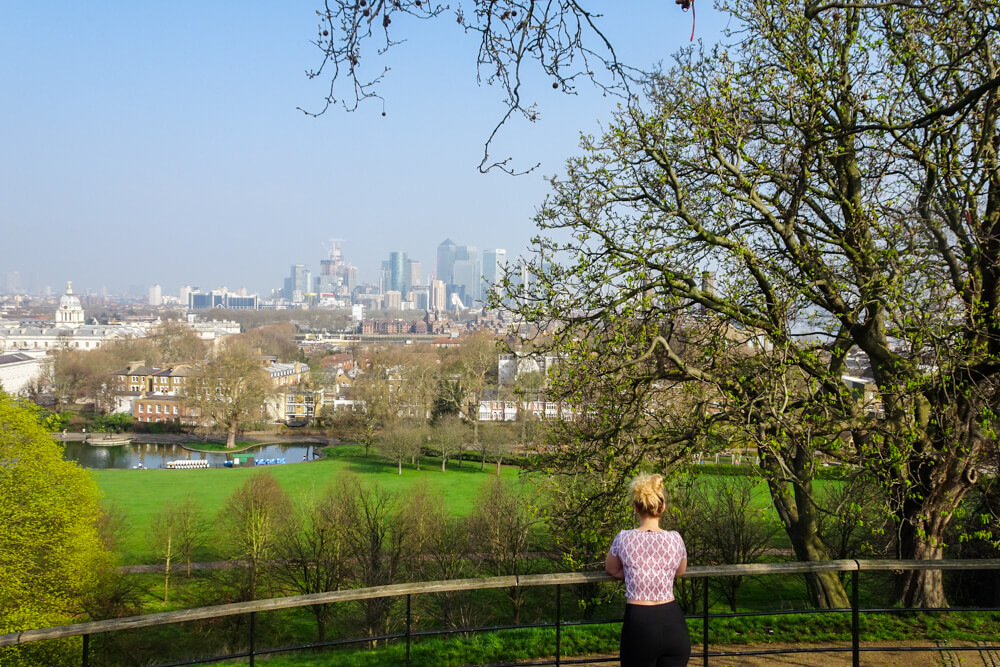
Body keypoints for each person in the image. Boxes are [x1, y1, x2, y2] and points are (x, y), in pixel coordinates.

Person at [605, 473, 690, 667]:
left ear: (635, 508)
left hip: (639, 626)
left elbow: (611, 569)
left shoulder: (624, 538)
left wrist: (629, 572)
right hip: (673, 623)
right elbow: (680, 571)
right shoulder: (675, 538)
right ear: (663, 508)